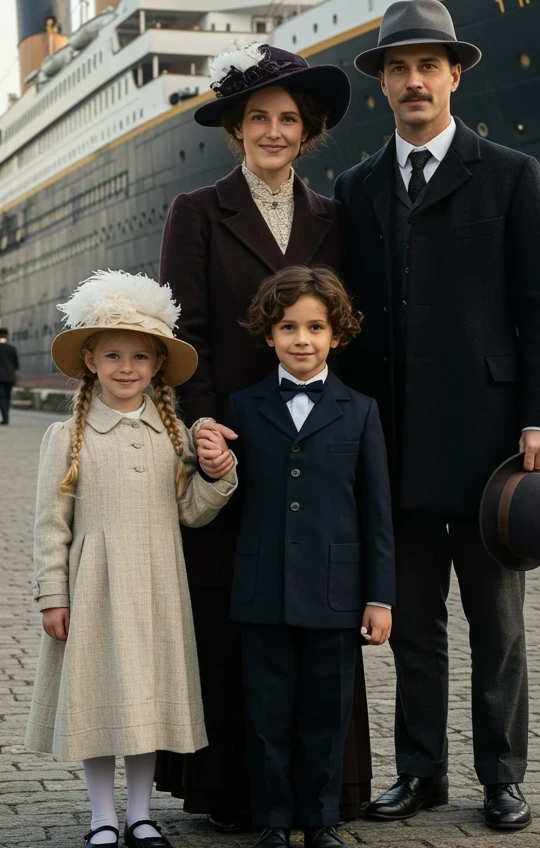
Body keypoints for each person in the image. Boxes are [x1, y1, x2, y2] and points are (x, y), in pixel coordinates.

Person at [333, 0, 540, 831]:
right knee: (411, 630)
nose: (413, 82)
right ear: (383, 86)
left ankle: (502, 776)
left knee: (497, 625)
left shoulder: (509, 174)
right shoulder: (356, 188)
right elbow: (342, 321)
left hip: (489, 449)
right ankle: (421, 775)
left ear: (454, 75)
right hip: (392, 448)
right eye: (398, 69)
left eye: (428, 66)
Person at [156, 44, 375, 828]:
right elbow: (188, 332)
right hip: (234, 445)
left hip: (316, 442)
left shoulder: (334, 218)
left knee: (318, 612)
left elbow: (348, 331)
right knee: (233, 614)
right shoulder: (197, 212)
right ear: (236, 129)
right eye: (258, 119)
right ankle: (235, 793)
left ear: (308, 130)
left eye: (288, 119)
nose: (273, 132)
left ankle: (324, 793)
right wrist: (203, 424)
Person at [24, 269, 238, 848]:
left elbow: (192, 512)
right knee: (98, 698)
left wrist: (219, 475)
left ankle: (141, 815)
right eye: (113, 355)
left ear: (156, 366)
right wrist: (52, 595)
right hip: (94, 585)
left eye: (140, 357)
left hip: (158, 585)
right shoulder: (65, 436)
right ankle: (100, 816)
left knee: (145, 700)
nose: (126, 368)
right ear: (90, 360)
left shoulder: (172, 436)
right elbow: (50, 525)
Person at [223, 266, 395, 848]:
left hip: (335, 591)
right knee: (267, 714)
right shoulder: (242, 408)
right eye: (288, 327)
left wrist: (380, 597)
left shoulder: (361, 410)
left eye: (316, 327)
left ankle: (320, 822)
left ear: (336, 334)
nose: (302, 339)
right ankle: (272, 819)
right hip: (262, 588)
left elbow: (376, 512)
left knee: (327, 716)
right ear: (268, 335)